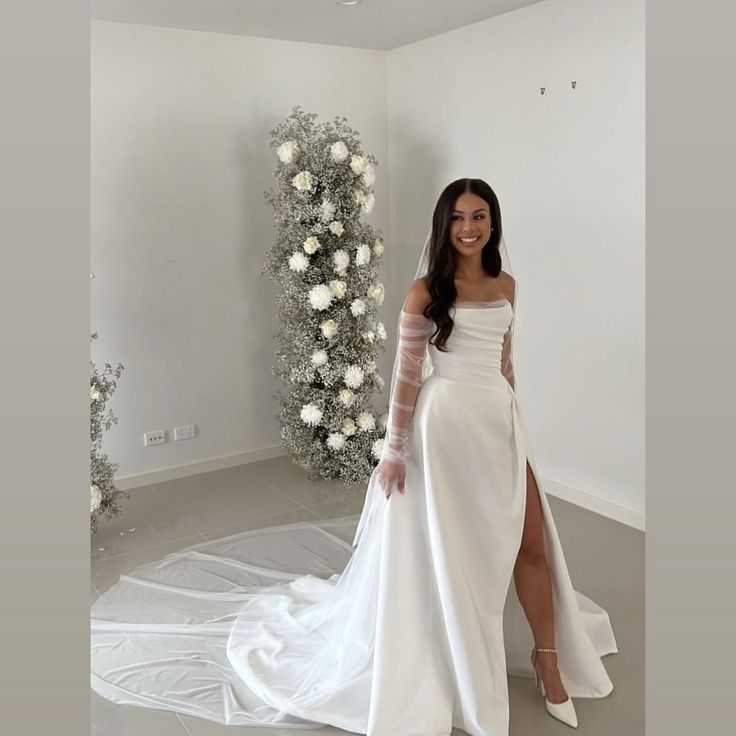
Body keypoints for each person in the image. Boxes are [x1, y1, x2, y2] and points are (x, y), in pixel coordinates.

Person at [91, 178, 617, 736]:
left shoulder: (507, 284)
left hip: (498, 426)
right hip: (442, 432)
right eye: (459, 217)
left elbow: (506, 364)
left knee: (529, 542)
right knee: (455, 550)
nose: (470, 227)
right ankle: (459, 652)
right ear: (445, 225)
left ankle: (547, 658)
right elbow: (407, 377)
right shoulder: (424, 291)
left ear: (494, 222)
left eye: (480, 216)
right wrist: (393, 451)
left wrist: (516, 428)